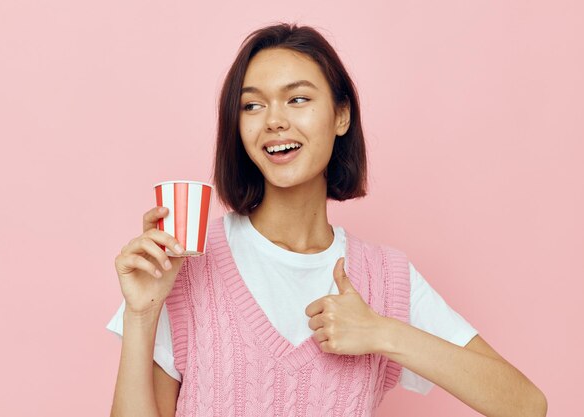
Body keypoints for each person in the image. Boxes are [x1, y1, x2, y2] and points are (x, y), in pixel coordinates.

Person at [107, 23, 547, 417]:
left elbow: (527, 406)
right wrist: (140, 315)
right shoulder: (186, 261)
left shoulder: (385, 279)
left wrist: (382, 333)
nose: (274, 121)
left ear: (341, 115)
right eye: (252, 106)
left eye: (297, 99)